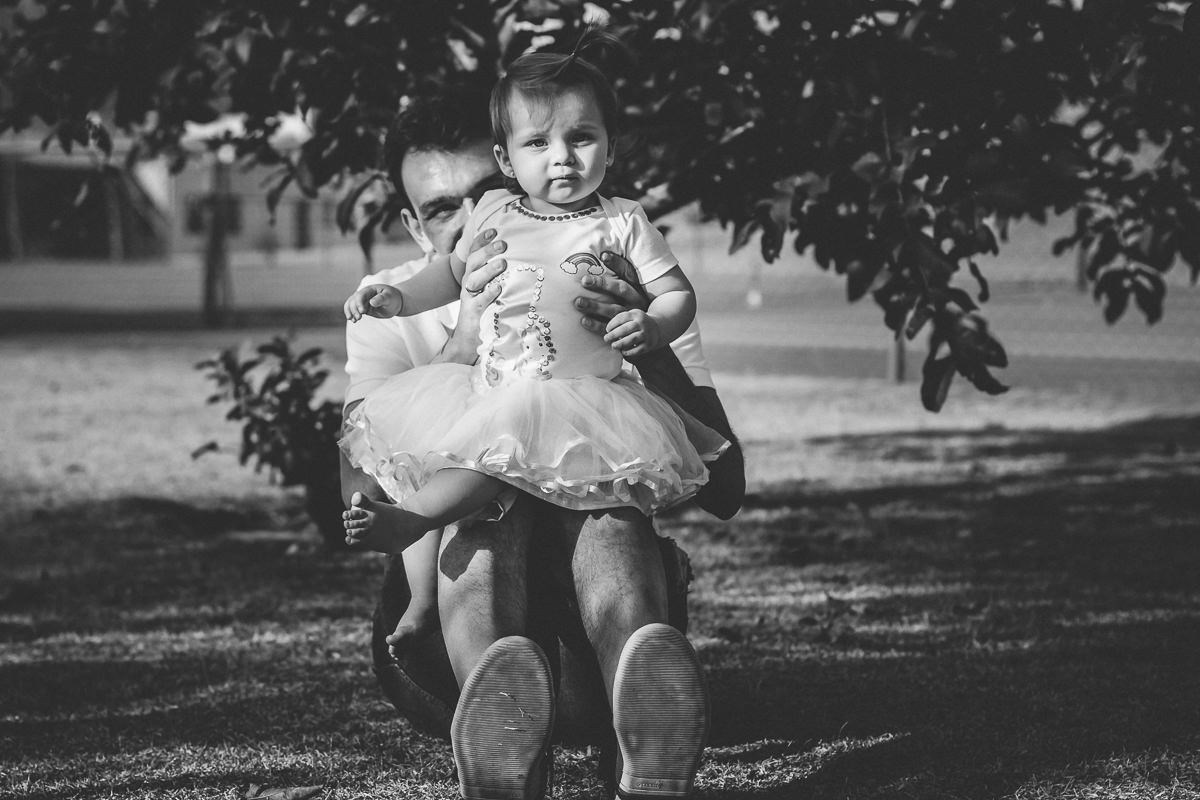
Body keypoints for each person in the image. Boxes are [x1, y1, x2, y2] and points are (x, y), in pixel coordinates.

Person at [340, 79, 744, 800]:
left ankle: (640, 729)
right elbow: (363, 484)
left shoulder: (612, 255)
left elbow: (728, 486)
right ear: (412, 224)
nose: (472, 218)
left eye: (484, 193)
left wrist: (647, 338)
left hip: (583, 588)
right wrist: (464, 337)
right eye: (442, 209)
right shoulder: (397, 299)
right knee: (483, 525)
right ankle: (502, 728)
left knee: (609, 520)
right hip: (452, 612)